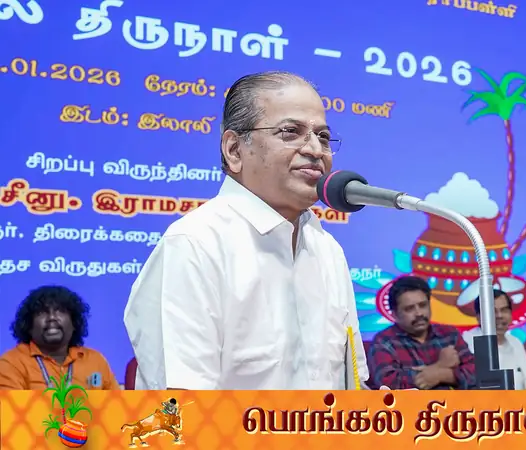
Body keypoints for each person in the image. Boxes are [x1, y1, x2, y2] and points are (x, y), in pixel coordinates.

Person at [124, 71, 369, 390]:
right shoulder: (195, 244)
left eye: (322, 136)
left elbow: (350, 387)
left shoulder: (327, 249)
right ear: (234, 150)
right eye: (290, 132)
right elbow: (184, 402)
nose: (315, 149)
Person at [0, 286, 118, 390]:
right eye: (42, 313)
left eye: (60, 311)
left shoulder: (95, 361)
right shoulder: (12, 363)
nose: (52, 317)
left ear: (74, 323)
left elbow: (116, 405)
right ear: (29, 326)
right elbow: (11, 407)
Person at [368, 276, 476, 390]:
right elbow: (388, 384)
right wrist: (439, 366)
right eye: (409, 308)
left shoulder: (449, 334)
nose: (419, 313)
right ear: (394, 314)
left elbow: (476, 373)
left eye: (423, 305)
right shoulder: (384, 342)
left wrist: (442, 375)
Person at [462, 289, 526, 390]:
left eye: (504, 310)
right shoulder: (466, 342)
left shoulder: (516, 343)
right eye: (492, 311)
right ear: (478, 317)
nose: (499, 316)